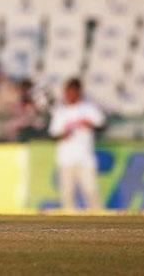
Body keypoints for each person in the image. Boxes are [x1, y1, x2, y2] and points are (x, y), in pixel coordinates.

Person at [48, 78, 105, 211]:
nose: (70, 95)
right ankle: (69, 227)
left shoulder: (89, 108)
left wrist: (91, 125)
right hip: (65, 159)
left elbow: (102, 125)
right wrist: (63, 135)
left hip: (85, 158)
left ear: (78, 92)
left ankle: (99, 220)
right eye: (68, 92)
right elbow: (53, 134)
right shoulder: (60, 111)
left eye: (73, 92)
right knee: (67, 194)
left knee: (91, 191)